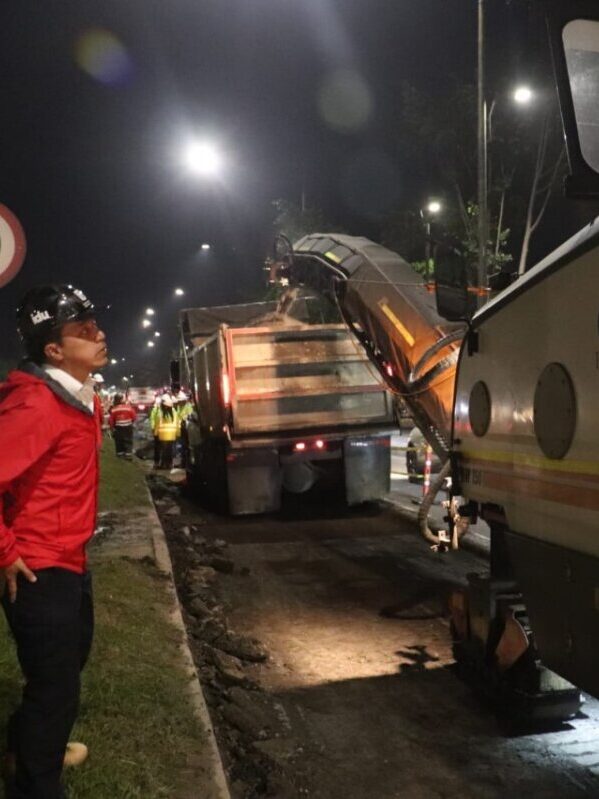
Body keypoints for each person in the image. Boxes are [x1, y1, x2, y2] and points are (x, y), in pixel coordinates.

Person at [0, 284, 108, 798]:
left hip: (71, 558)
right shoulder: (37, 406)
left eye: (95, 326)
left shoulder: (81, 398)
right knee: (56, 686)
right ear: (54, 350)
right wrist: (6, 550)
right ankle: (37, 786)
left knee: (67, 667)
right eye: (84, 332)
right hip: (37, 567)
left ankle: (28, 745)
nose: (98, 335)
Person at [152, 394, 178, 470]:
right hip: (172, 434)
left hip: (163, 435)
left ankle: (164, 464)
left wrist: (156, 433)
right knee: (169, 450)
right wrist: (177, 433)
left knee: (164, 450)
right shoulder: (173, 412)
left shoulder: (161, 412)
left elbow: (157, 423)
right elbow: (177, 422)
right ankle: (169, 464)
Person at [108, 393, 137, 458]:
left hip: (118, 428)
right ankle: (128, 455)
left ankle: (120, 454)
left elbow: (111, 421)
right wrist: (130, 422)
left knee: (119, 441)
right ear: (122, 400)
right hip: (128, 427)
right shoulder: (128, 407)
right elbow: (134, 417)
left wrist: (112, 428)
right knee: (128, 441)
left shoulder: (114, 409)